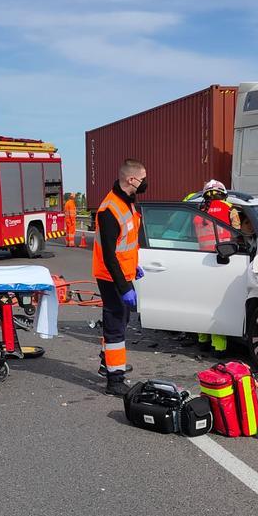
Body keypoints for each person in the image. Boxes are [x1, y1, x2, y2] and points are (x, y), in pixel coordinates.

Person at [94, 159, 146, 396]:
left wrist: (134, 266)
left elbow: (127, 243)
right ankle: (115, 379)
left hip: (124, 273)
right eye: (143, 178)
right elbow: (109, 256)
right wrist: (124, 286)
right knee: (116, 326)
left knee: (122, 320)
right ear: (131, 179)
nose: (145, 182)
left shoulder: (127, 203)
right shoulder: (109, 210)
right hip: (111, 277)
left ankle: (109, 362)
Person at [182, 180, 237, 354]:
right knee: (219, 305)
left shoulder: (199, 210)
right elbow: (238, 231)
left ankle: (202, 340)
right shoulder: (230, 208)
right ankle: (219, 347)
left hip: (202, 259)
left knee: (203, 301)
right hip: (223, 259)